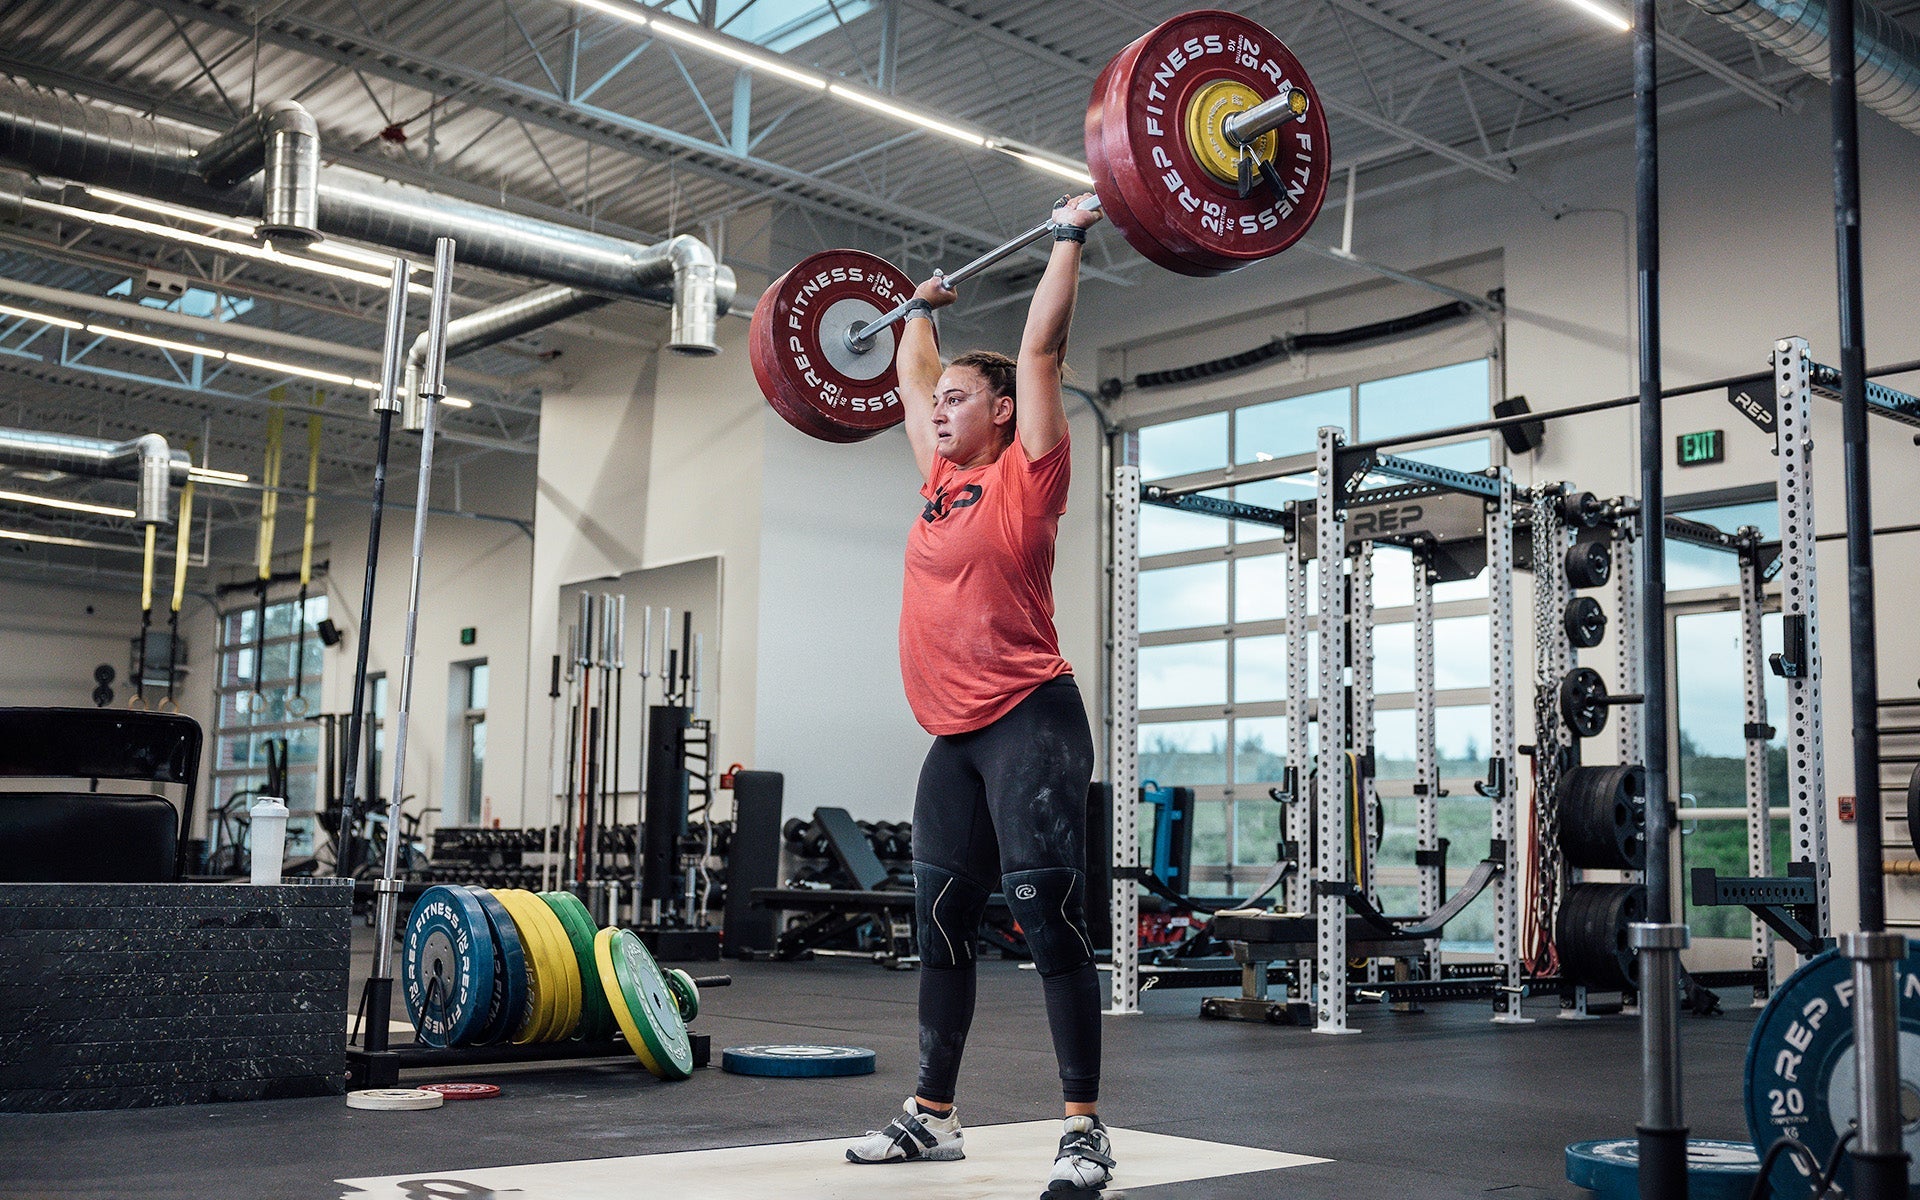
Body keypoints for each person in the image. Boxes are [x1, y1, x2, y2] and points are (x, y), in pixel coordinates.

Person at [843, 193, 1112, 1199]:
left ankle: (1083, 1131)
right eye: (939, 402)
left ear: (999, 412)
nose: (937, 409)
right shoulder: (938, 480)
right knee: (942, 922)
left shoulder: (1026, 479)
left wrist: (1066, 240)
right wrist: (919, 310)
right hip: (953, 737)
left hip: (1032, 721)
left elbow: (1041, 355)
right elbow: (915, 376)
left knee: (1046, 917)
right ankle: (933, 1118)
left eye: (960, 400)